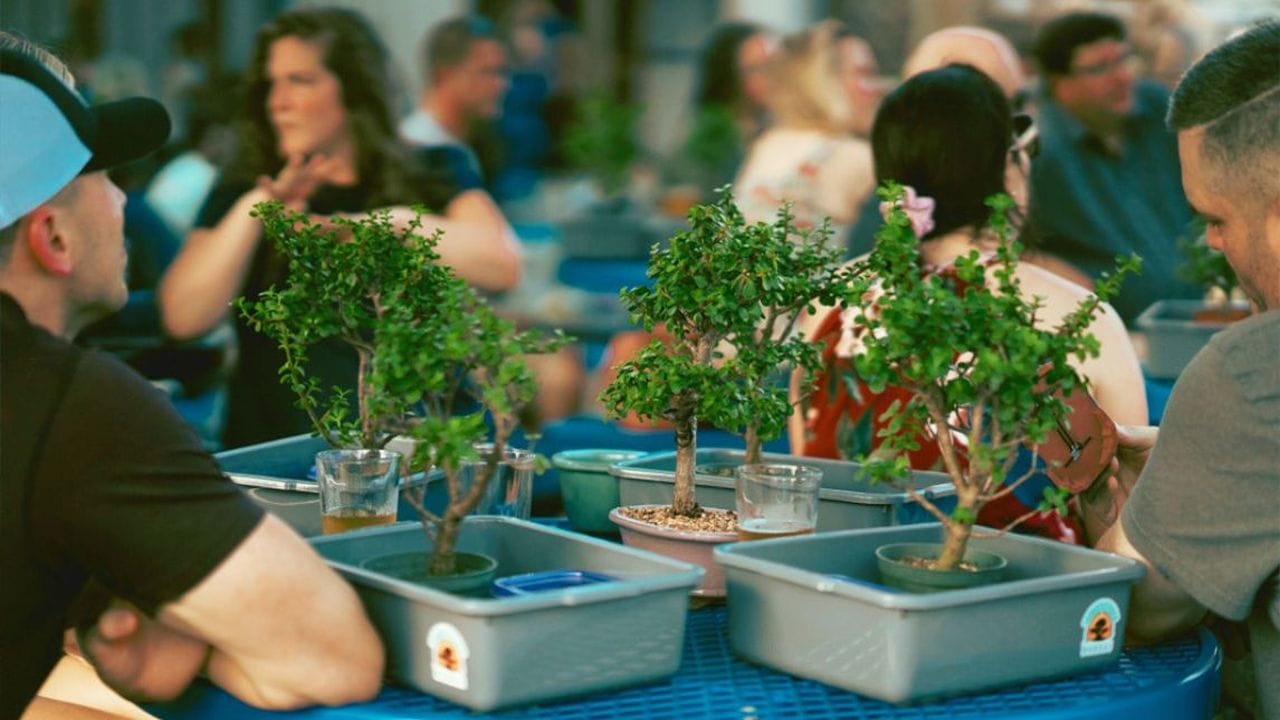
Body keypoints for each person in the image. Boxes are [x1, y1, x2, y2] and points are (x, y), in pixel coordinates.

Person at [0, 36, 382, 720]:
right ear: (52, 237)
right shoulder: (70, 403)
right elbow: (334, 660)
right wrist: (194, 650)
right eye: (106, 176)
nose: (121, 202)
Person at [794, 64, 1147, 542]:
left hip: (838, 588)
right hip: (1027, 599)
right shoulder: (1081, 318)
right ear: (1007, 165)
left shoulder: (829, 302)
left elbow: (806, 479)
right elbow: (1122, 526)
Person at [158, 7, 521, 448]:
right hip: (282, 459)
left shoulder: (433, 168)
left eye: (301, 81)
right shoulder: (245, 184)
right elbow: (184, 317)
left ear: (351, 89)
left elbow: (500, 264)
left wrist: (385, 225)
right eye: (272, 84)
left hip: (412, 451)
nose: (279, 101)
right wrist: (262, 204)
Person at [1082, 22, 1279, 719]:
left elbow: (1128, 604)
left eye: (1216, 219)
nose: (1212, 244)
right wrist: (1197, 469)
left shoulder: (1252, 370)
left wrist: (1129, 514)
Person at [1028, 11, 1201, 323]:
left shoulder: (1157, 111)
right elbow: (1011, 250)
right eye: (1100, 68)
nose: (1122, 77)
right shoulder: (1040, 152)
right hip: (1111, 338)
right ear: (1060, 85)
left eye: (1123, 61)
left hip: (1195, 319)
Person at [733, 20, 875, 236]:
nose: (877, 88)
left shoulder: (767, 144)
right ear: (823, 82)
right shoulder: (852, 156)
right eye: (863, 73)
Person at [400, 15, 509, 182]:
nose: (502, 85)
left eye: (501, 73)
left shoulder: (470, 146)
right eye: (487, 72)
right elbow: (415, 209)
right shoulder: (416, 149)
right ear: (445, 75)